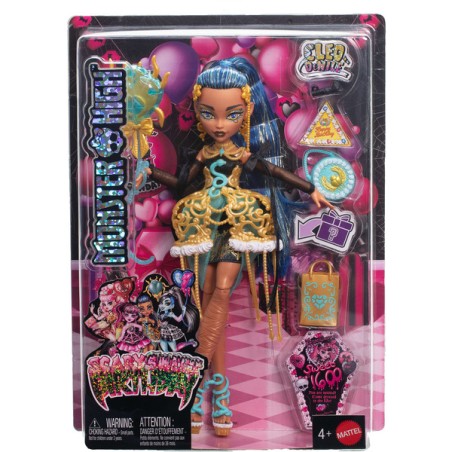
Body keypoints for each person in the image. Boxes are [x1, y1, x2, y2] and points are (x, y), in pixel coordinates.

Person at [136, 57, 332, 436]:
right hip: (201, 227)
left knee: (222, 293)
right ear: (197, 110)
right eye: (209, 113)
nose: (220, 124)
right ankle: (214, 392)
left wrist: (311, 188)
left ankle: (195, 379)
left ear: (245, 112)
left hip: (236, 227)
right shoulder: (203, 155)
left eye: (231, 114)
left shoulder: (241, 154)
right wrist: (150, 171)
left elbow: (274, 172)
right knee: (206, 302)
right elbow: (181, 185)